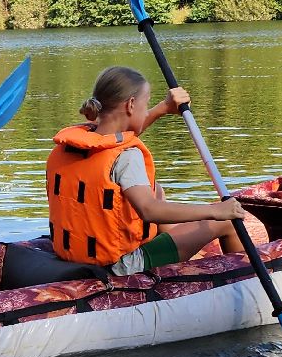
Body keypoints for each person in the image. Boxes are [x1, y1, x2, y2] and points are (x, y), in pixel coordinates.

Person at [45, 66, 247, 274]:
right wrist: (215, 211)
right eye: (146, 103)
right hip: (120, 266)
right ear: (131, 104)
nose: (147, 108)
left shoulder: (71, 144)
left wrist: (164, 108)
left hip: (75, 254)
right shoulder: (127, 156)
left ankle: (174, 247)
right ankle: (242, 281)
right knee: (229, 221)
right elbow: (148, 210)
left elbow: (120, 135)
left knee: (155, 188)